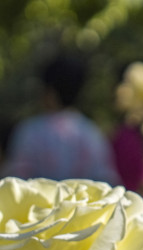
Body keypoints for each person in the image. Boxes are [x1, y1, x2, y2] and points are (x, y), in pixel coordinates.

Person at [2, 55, 120, 184]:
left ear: (50, 90)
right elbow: (106, 181)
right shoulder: (91, 133)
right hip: (82, 204)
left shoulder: (30, 131)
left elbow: (13, 182)